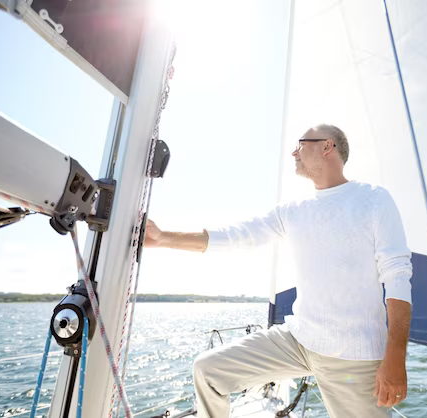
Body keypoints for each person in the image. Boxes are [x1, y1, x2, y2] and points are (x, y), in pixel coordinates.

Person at [144, 124, 413, 417]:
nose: (294, 151)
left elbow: (397, 276)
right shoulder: (293, 210)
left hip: (353, 356)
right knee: (208, 371)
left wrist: (396, 356)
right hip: (298, 340)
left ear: (327, 146)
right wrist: (163, 238)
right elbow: (237, 236)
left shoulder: (373, 199)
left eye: (301, 143)